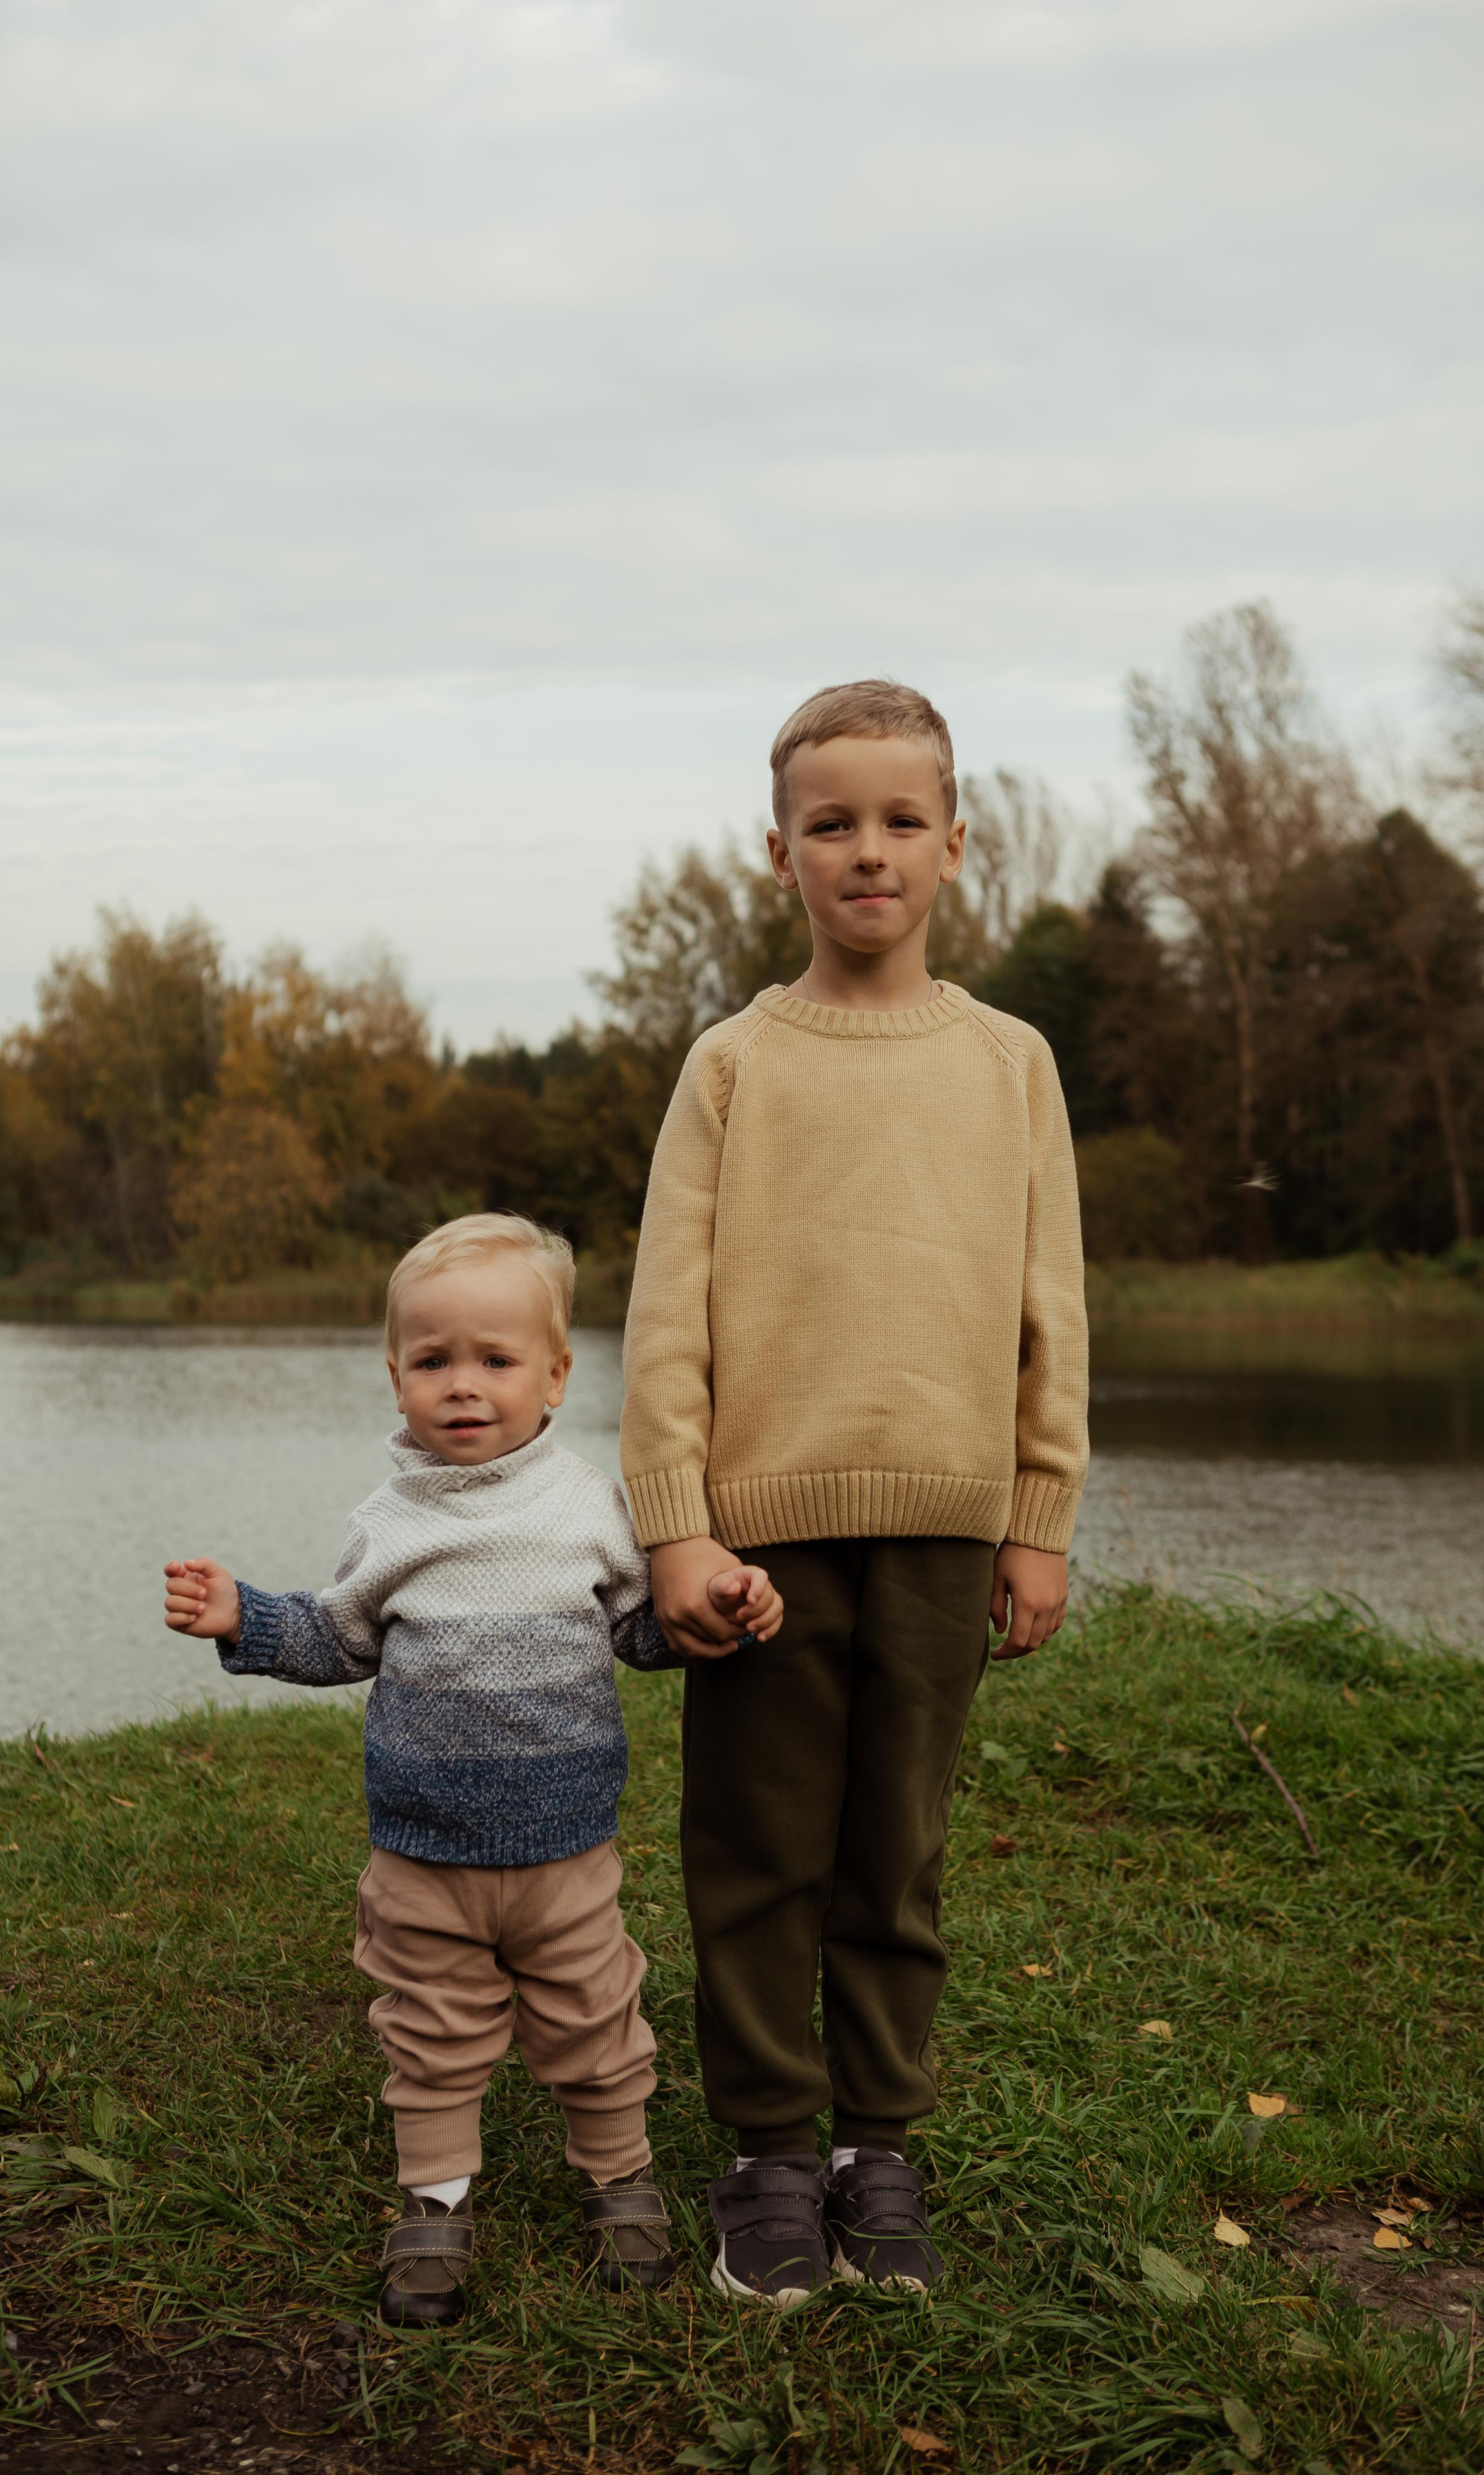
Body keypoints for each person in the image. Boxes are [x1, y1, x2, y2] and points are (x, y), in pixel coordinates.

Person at [620, 679, 1088, 2310]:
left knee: (892, 1853)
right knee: (756, 1848)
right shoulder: (732, 1064)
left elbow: (1053, 1305)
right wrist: (676, 1520)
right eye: (832, 825)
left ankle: (875, 2145)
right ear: (780, 855)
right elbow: (664, 1313)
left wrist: (1036, 1519)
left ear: (956, 846)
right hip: (758, 1532)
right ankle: (763, 2149)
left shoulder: (1010, 1064)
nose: (866, 852)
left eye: (900, 822)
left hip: (948, 1520)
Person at [162, 1211, 782, 2326]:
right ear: (395, 1376)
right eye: (433, 1360)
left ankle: (618, 2179)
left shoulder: (593, 1506)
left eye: (495, 1361)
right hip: (423, 1856)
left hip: (567, 1851)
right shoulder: (389, 1522)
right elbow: (340, 1639)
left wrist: (724, 1612)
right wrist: (242, 1615)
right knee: (433, 2033)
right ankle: (436, 2203)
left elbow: (643, 1634)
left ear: (554, 1376)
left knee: (595, 2020)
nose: (464, 1386)